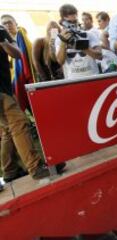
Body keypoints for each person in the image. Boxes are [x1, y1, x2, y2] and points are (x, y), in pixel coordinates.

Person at [0, 25, 65, 183]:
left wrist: (2, 41)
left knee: (8, 130)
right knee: (19, 124)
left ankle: (9, 171)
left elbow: (17, 54)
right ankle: (36, 167)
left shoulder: (1, 31)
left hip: (5, 87)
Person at [56, 4, 102, 79]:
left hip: (93, 78)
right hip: (72, 81)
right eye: (68, 22)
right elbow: (60, 61)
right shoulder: (60, 39)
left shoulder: (89, 34)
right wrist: (63, 43)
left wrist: (82, 46)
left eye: (74, 21)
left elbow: (100, 56)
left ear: (77, 17)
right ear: (63, 21)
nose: (71, 25)